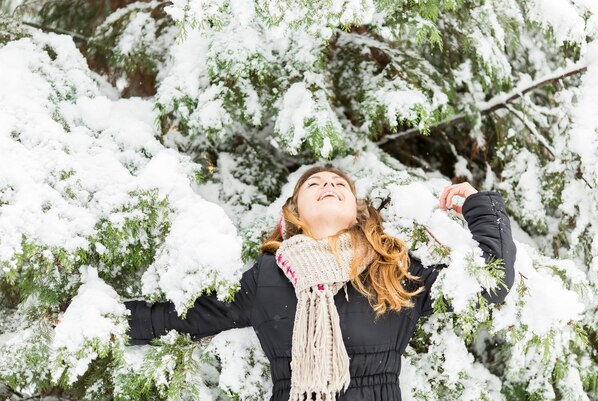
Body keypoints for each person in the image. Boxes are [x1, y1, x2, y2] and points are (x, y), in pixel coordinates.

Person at [125, 166, 517, 401]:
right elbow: (180, 318)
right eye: (314, 185)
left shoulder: (392, 268)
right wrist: (108, 320)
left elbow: (490, 283)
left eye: (339, 184)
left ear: (357, 211)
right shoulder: (268, 276)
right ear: (295, 212)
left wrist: (478, 206)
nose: (327, 185)